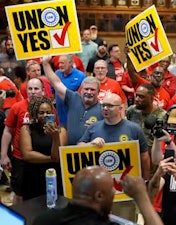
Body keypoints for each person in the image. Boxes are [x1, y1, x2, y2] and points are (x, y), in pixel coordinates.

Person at [78, 93, 150, 222]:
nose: (105, 108)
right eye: (103, 105)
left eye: (109, 106)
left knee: (125, 220)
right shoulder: (94, 127)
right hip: (98, 191)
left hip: (124, 190)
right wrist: (90, 144)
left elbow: (144, 156)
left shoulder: (134, 129)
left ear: (120, 108)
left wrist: (145, 180)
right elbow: (79, 147)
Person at [32, 165, 164, 225]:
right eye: (111, 189)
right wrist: (141, 196)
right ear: (99, 196)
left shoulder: (44, 219)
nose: (114, 192)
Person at [0, 78, 44, 204]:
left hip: (41, 158)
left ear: (42, 91)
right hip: (20, 159)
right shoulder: (17, 107)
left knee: (40, 193)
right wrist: (3, 155)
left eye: (36, 89)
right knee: (19, 194)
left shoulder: (49, 108)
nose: (33, 92)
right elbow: (7, 131)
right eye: (30, 89)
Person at [42, 56, 103, 145]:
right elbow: (56, 83)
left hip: (92, 152)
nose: (89, 92)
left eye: (92, 90)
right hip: (70, 152)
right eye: (86, 89)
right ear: (81, 90)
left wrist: (97, 128)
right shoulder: (73, 98)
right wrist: (45, 64)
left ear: (98, 92)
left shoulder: (103, 109)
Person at [19, 96, 66, 200]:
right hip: (33, 176)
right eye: (41, 113)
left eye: (48, 112)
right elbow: (27, 155)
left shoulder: (61, 131)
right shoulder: (26, 129)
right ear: (35, 114)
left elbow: (57, 156)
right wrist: (50, 159)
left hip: (55, 175)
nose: (45, 115)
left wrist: (55, 137)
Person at [126, 83, 166, 171]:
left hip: (152, 160)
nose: (137, 99)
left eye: (141, 97)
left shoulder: (162, 116)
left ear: (152, 98)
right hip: (132, 157)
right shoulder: (131, 111)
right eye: (136, 96)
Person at [54, 54, 86, 126]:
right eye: (59, 63)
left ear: (71, 63)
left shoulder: (81, 76)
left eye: (62, 63)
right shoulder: (56, 74)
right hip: (60, 116)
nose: (60, 65)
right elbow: (52, 91)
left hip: (74, 116)